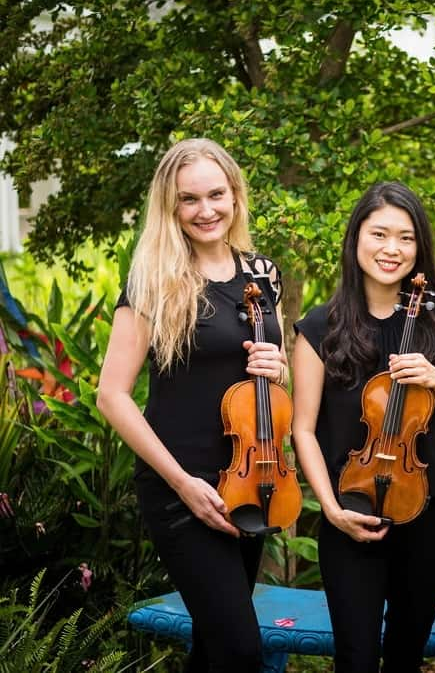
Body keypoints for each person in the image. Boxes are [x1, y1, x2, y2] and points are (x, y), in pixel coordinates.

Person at [97, 138, 287, 671]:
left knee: (215, 648)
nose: (206, 210)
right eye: (189, 200)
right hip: (181, 487)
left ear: (235, 194)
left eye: (216, 194)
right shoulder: (152, 280)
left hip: (250, 478)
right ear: (170, 206)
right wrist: (182, 483)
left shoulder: (263, 273)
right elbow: (111, 394)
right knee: (242, 649)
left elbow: (275, 378)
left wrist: (279, 369)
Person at [291, 181, 435, 672]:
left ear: (420, 248)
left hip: (426, 514)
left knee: (406, 657)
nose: (392, 249)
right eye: (380, 234)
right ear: (356, 240)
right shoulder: (319, 326)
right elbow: (302, 429)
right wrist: (329, 508)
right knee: (355, 656)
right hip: (350, 511)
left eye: (406, 238)